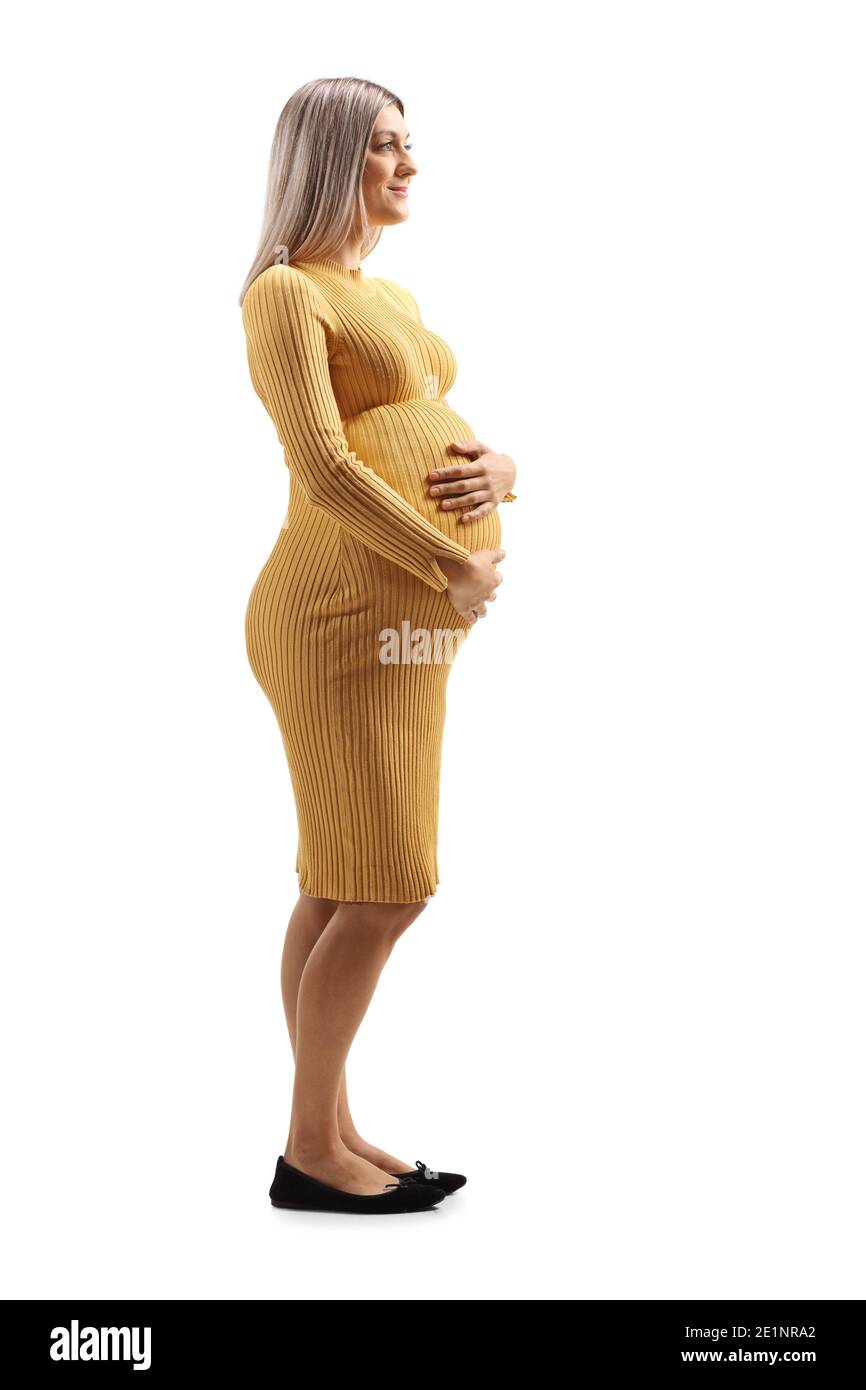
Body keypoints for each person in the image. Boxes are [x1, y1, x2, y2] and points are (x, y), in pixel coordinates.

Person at [239, 77, 517, 1214]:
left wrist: (501, 473)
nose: (408, 166)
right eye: (383, 148)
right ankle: (309, 1151)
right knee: (388, 883)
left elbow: (433, 434)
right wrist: (447, 560)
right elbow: (327, 466)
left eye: (410, 145)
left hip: (395, 620)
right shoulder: (282, 295)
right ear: (327, 158)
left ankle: (333, 1124)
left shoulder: (385, 294)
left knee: (341, 875)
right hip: (340, 618)